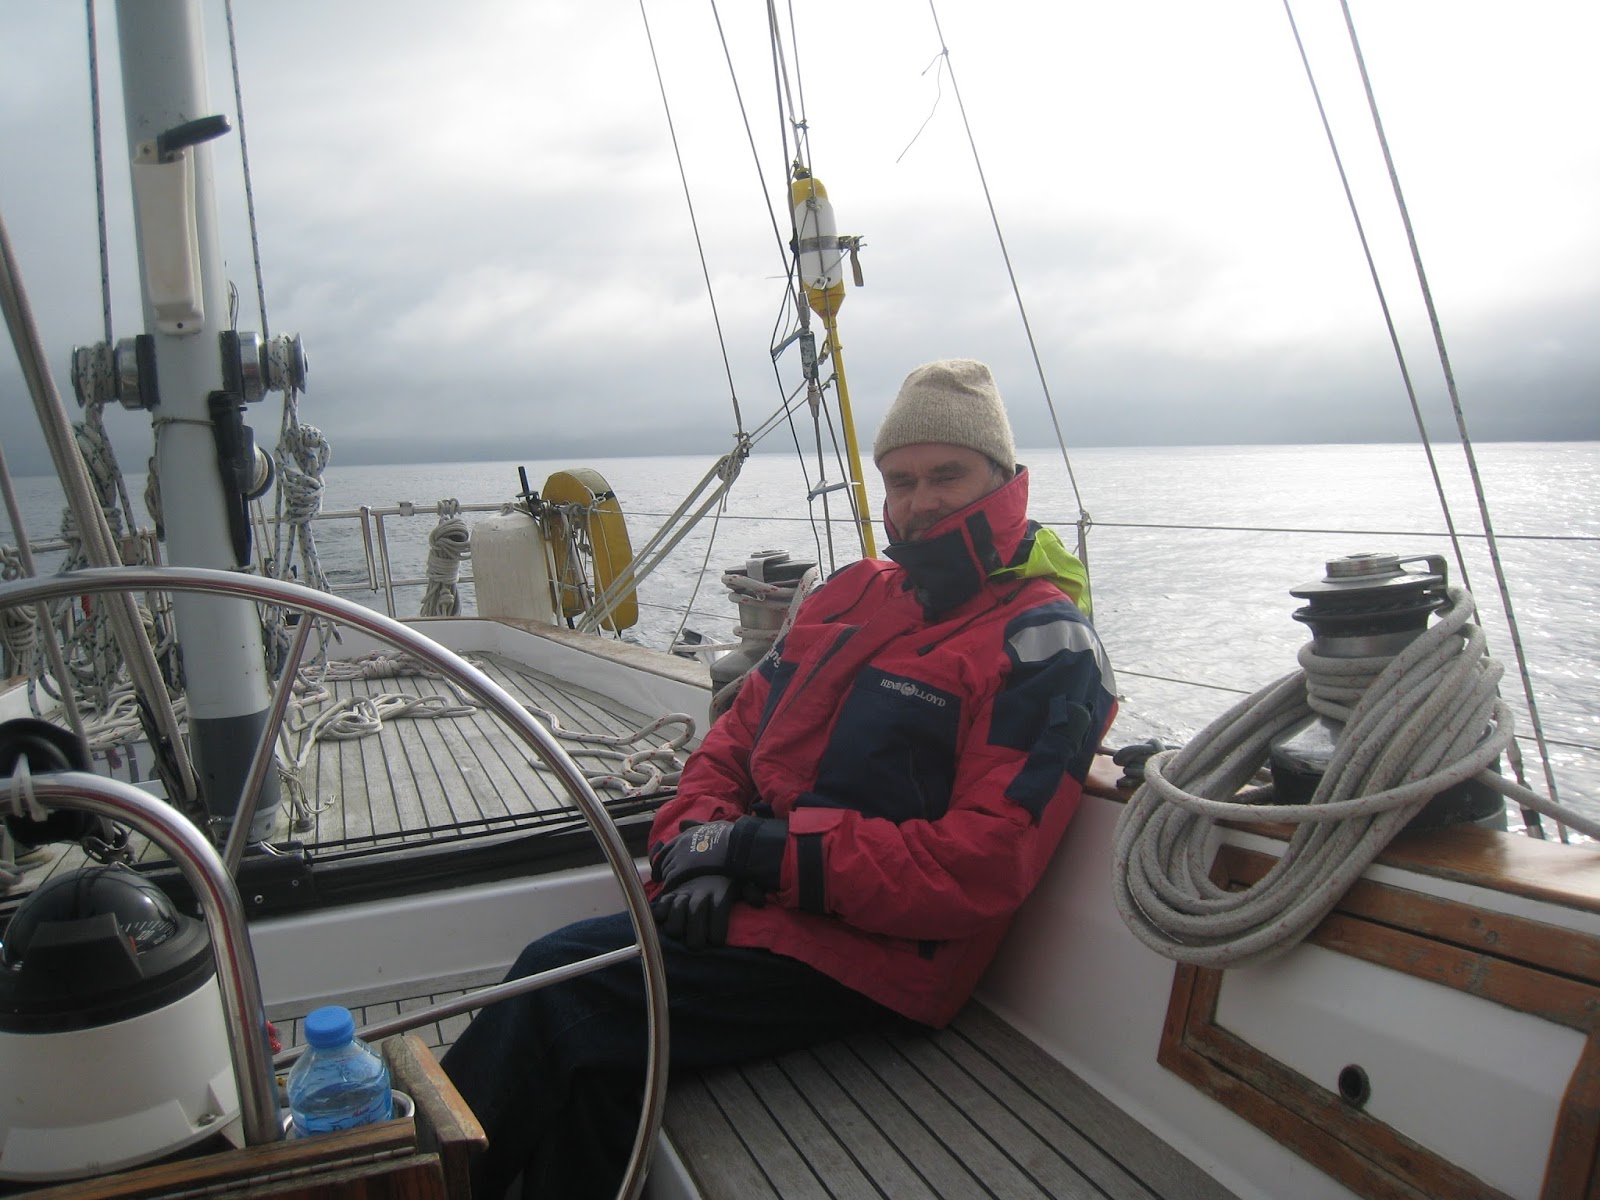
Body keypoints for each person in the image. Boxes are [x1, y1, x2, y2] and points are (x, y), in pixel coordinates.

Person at [441, 358, 1117, 1198]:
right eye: (901, 481)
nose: (921, 502)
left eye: (948, 475)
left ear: (1003, 478)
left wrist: (756, 854)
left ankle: (411, 1182)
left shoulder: (1045, 645)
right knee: (598, 1072)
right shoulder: (856, 592)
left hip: (874, 957)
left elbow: (978, 866)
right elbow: (735, 737)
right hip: (766, 906)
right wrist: (697, 843)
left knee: (560, 990)